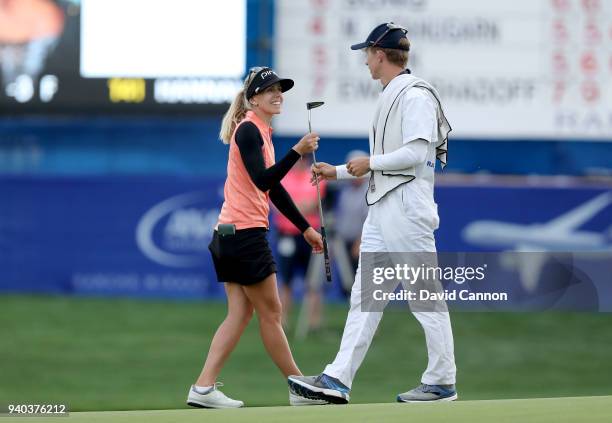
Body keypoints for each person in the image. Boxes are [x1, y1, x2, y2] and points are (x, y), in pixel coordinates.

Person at [288, 23, 457, 404]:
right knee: (366, 298)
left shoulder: (414, 95)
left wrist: (368, 164)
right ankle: (337, 378)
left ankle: (443, 380)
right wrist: (338, 172)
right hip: (383, 209)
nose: (365, 60)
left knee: (424, 296)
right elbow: (380, 164)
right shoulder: (394, 94)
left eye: (367, 53)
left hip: (406, 208)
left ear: (380, 54)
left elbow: (416, 154)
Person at [187, 67, 327, 409]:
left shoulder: (259, 130)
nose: (277, 94)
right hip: (244, 236)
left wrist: (305, 227)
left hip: (231, 235)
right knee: (272, 310)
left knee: (241, 314)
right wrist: (297, 151)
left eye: (280, 90)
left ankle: (203, 389)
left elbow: (273, 189)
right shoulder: (249, 129)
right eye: (269, 91)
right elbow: (265, 180)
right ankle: (298, 385)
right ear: (253, 99)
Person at [273, 156, 326, 331]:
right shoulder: (283, 178)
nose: (299, 163)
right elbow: (276, 203)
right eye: (297, 159)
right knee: (286, 280)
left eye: (302, 160)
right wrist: (296, 207)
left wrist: (291, 207)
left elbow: (314, 203)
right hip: (287, 234)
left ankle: (313, 322)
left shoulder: (314, 177)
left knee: (312, 281)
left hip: (310, 235)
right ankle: (282, 321)